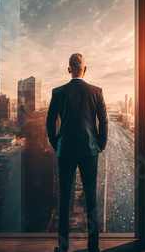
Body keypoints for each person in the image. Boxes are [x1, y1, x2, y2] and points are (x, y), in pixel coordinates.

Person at [46, 53, 108, 252]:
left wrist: (57, 145)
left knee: (65, 198)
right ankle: (94, 248)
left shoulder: (58, 92)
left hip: (65, 150)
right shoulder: (96, 92)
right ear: (85, 69)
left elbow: (49, 121)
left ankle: (63, 248)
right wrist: (100, 144)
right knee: (91, 199)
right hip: (90, 150)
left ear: (69, 69)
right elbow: (104, 121)